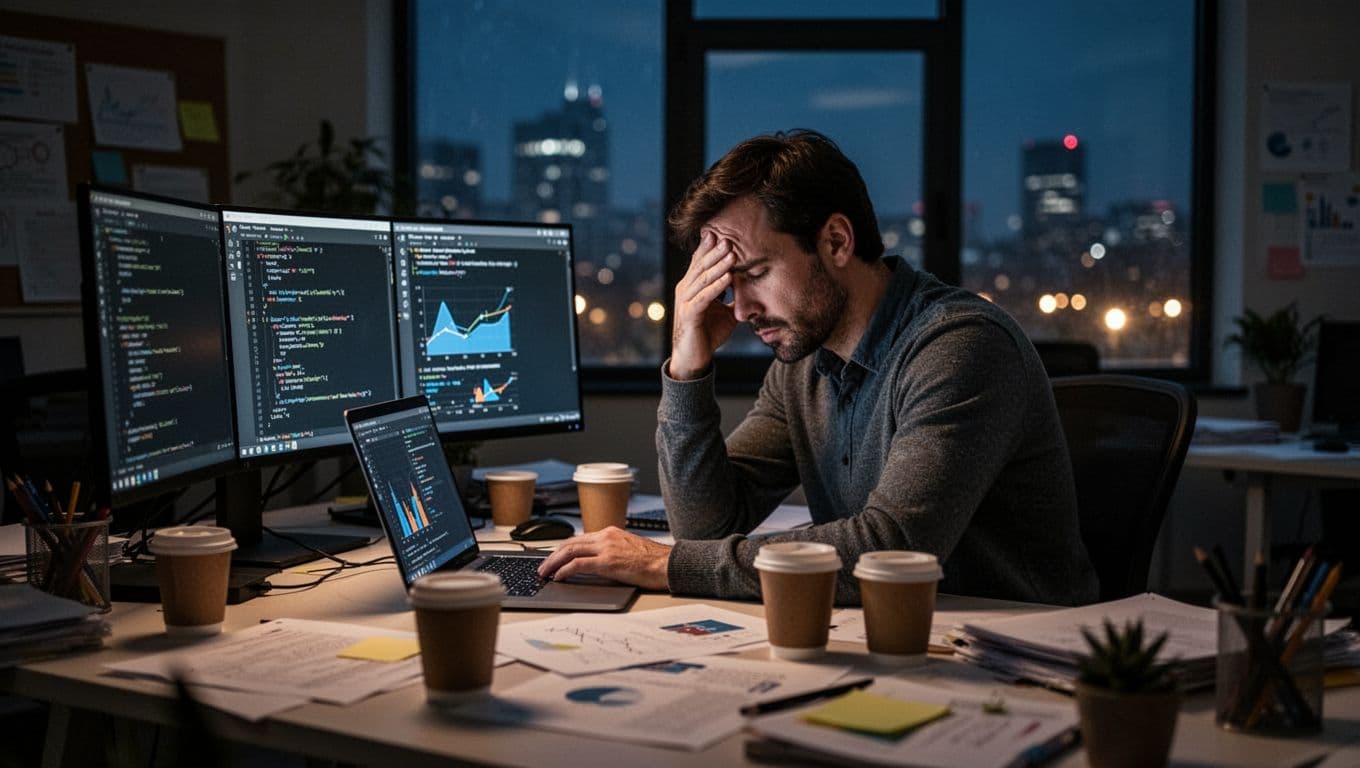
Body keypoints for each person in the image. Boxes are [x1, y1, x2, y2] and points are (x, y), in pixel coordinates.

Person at [539, 129, 1099, 606]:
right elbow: (706, 526)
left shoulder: (961, 346)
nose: (739, 309)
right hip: (896, 641)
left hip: (1017, 652)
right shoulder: (804, 360)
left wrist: (664, 566)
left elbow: (891, 548)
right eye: (725, 284)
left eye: (753, 273)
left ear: (835, 240)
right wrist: (688, 366)